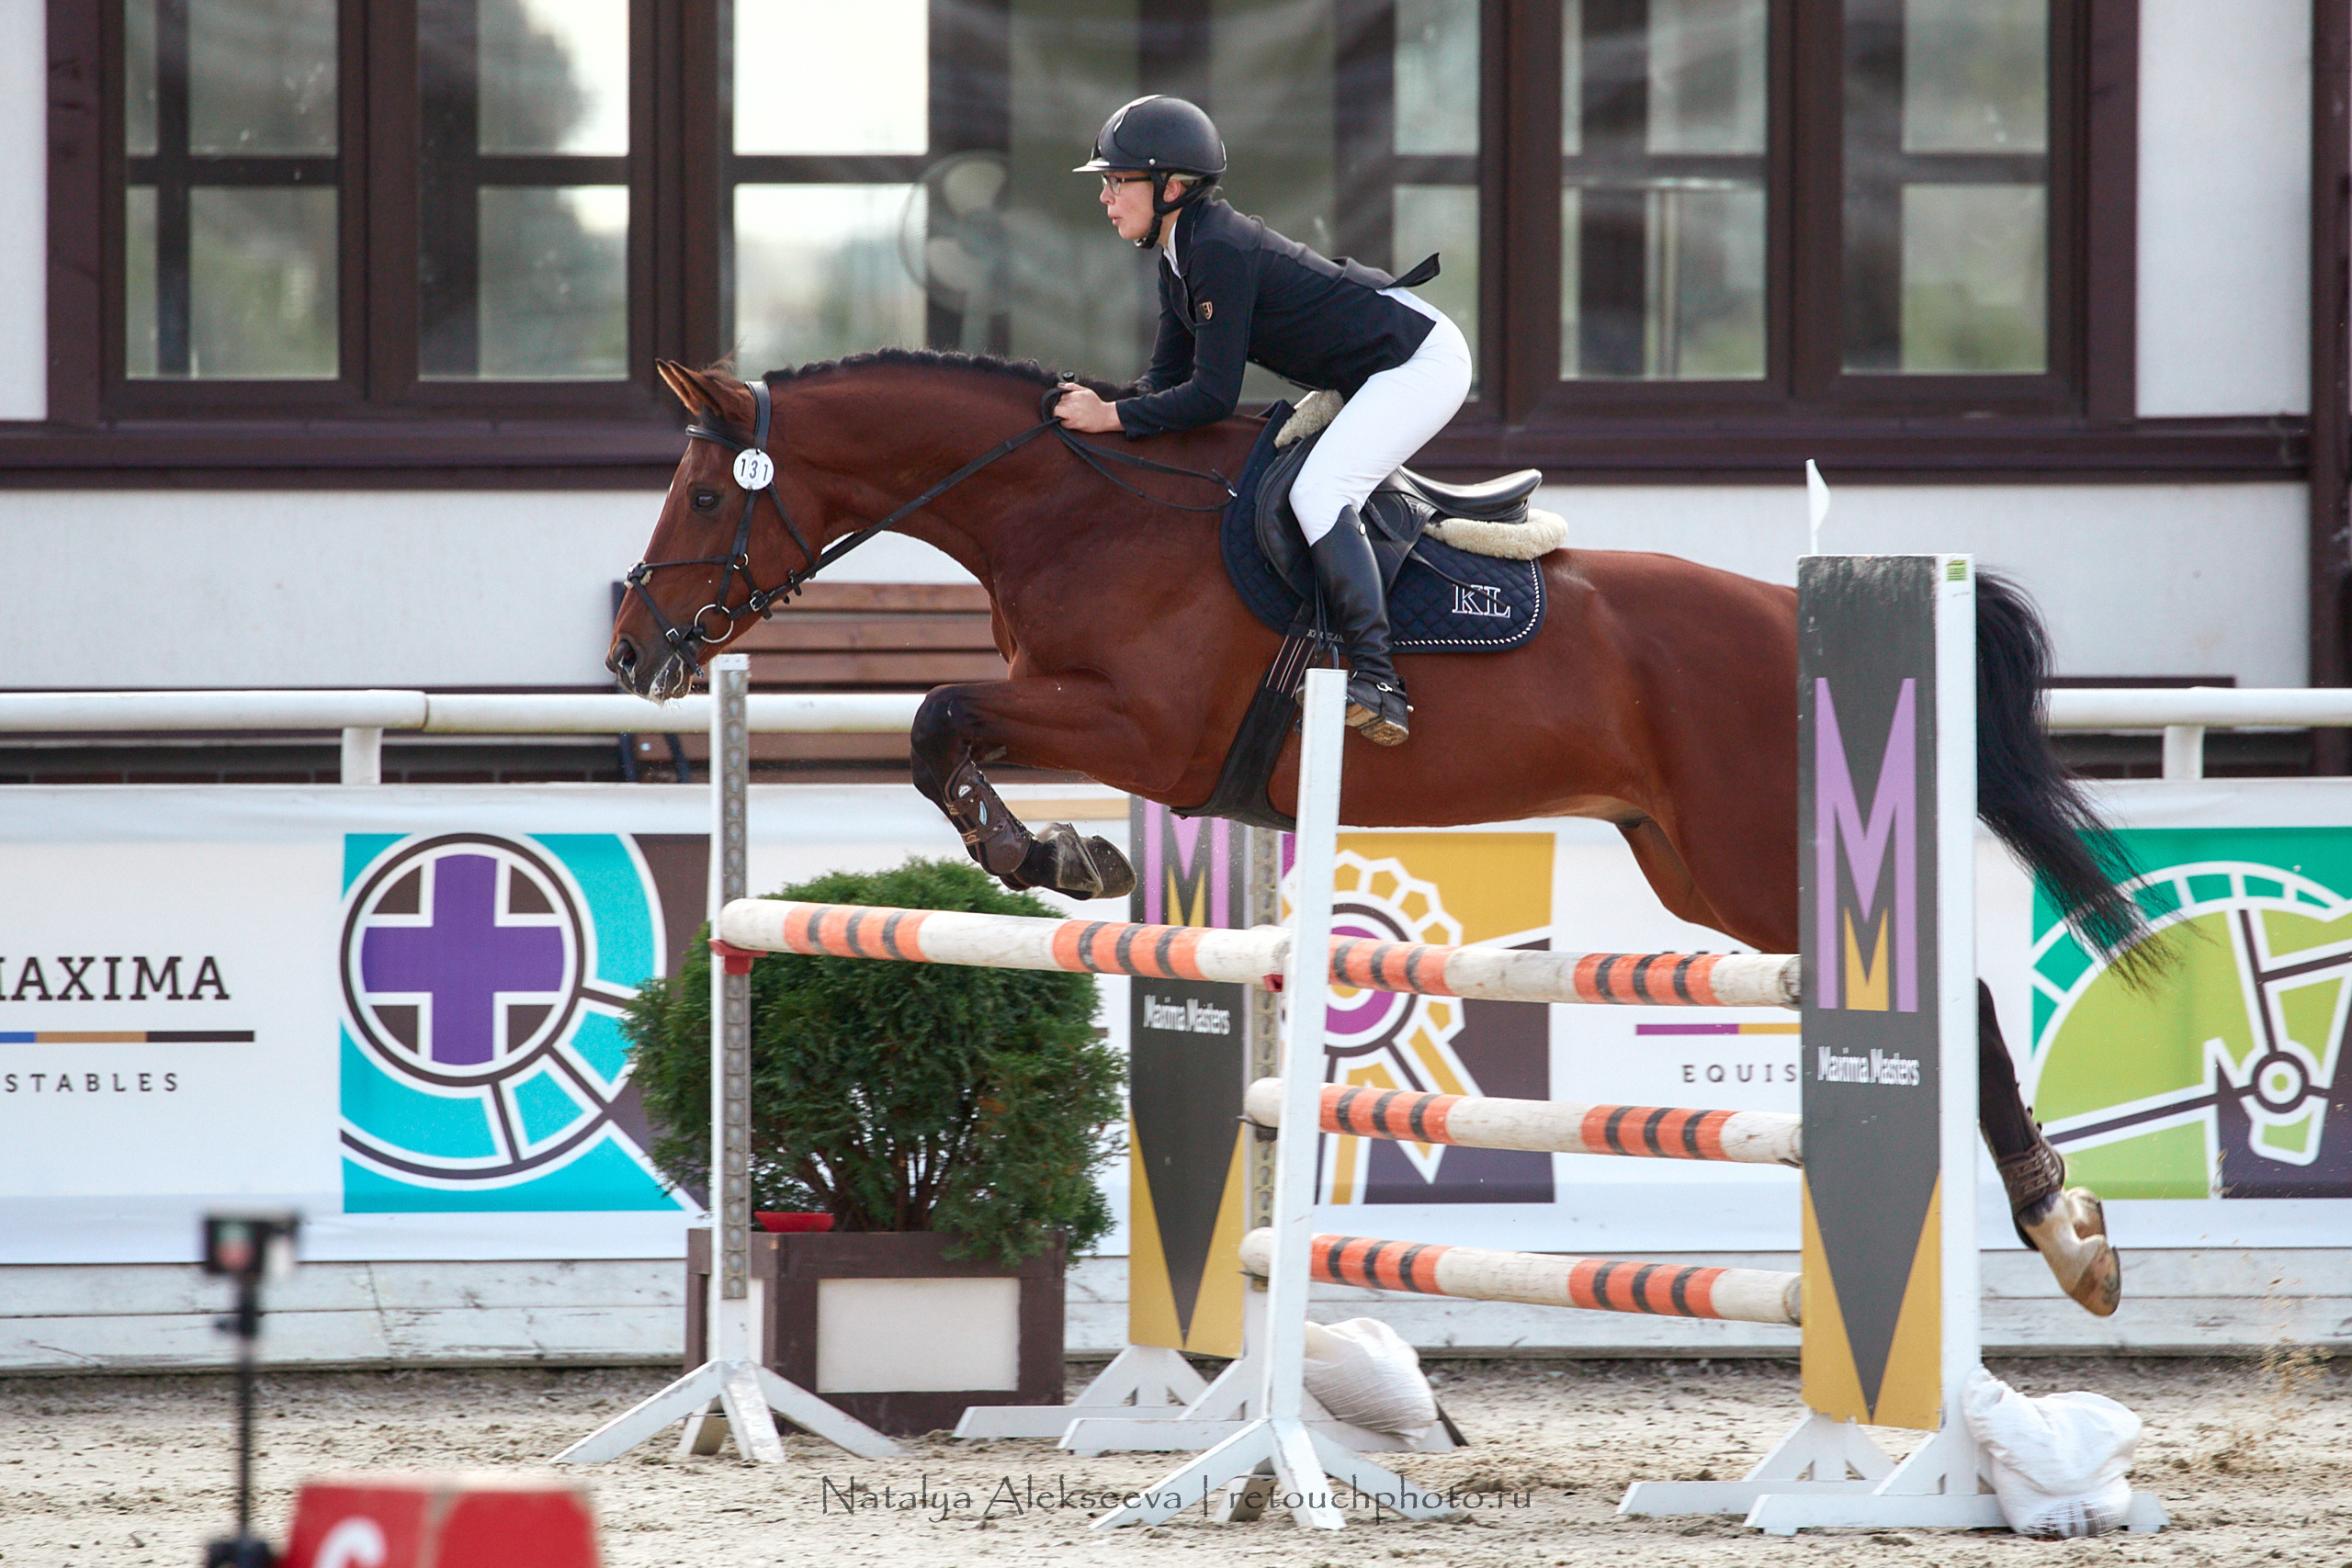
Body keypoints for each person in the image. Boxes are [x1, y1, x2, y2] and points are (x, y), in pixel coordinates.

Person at [1054, 95, 1473, 747]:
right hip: (1375, 370)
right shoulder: (1179, 255)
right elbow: (1163, 382)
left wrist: (1110, 415)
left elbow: (1212, 397)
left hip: (1420, 363)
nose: (1105, 196)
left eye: (1118, 180)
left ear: (1172, 187)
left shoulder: (1216, 249)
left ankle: (1378, 681)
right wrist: (1095, 416)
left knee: (1319, 492)